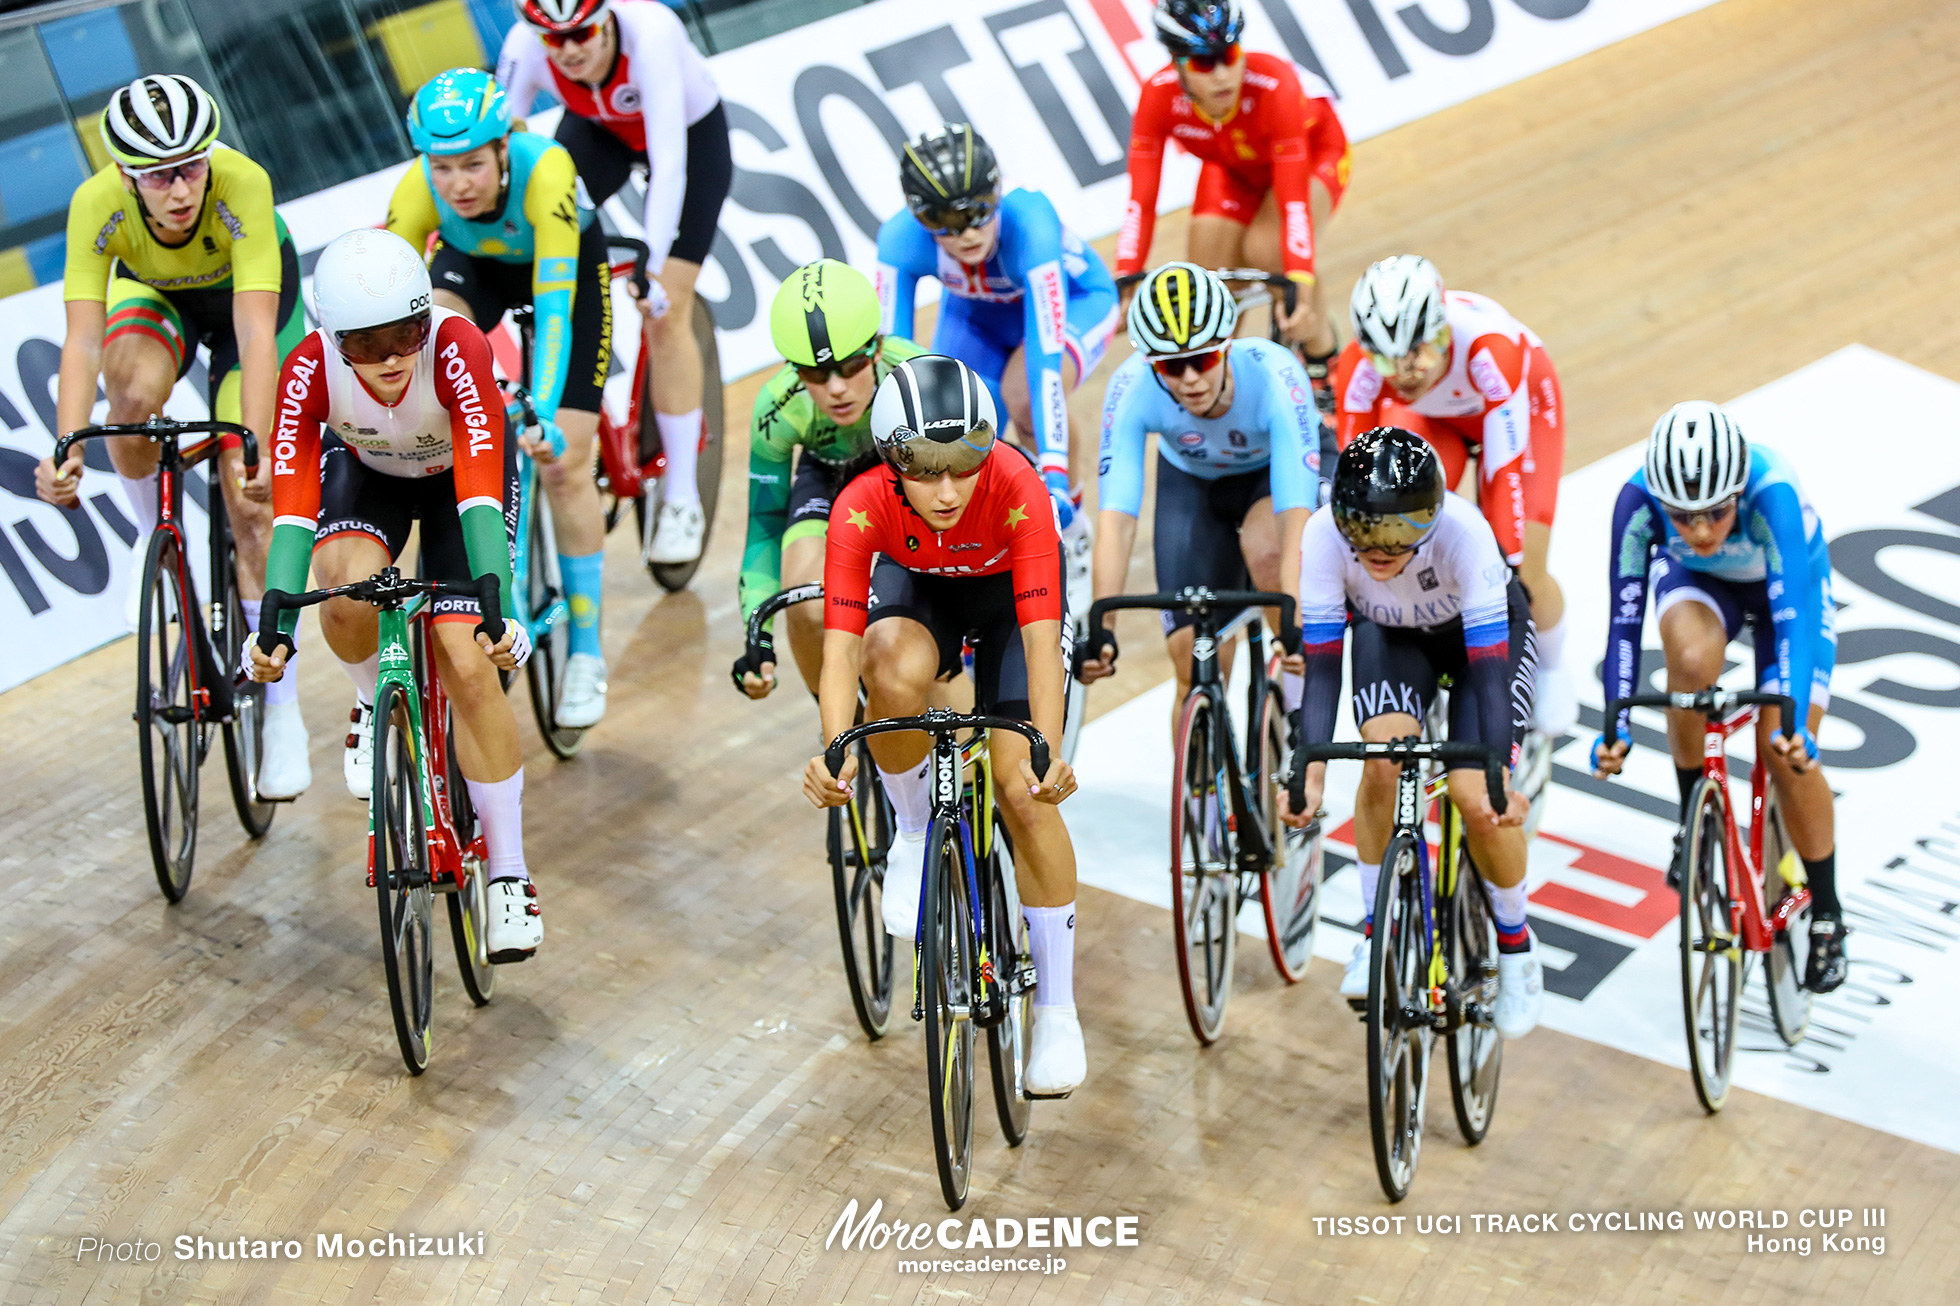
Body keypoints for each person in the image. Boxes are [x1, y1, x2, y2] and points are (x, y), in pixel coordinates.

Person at [245, 229, 543, 962]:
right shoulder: (307, 369)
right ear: (332, 338)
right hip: (371, 477)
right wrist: (274, 620)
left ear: (424, 321)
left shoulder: (457, 347)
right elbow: (290, 510)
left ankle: (508, 873)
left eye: (405, 334)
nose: (388, 360)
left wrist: (495, 609)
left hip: (460, 490)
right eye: (366, 343)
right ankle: (373, 697)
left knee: (468, 659)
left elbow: (477, 497)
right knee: (343, 595)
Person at [800, 355, 1087, 1095]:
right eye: (927, 471)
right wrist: (834, 749)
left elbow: (1039, 640)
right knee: (886, 664)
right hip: (921, 592)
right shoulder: (861, 504)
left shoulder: (1018, 488)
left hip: (1006, 606)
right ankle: (915, 829)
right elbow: (840, 651)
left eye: (964, 464)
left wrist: (1045, 750)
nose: (950, 489)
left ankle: (1057, 1011)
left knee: (1022, 790)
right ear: (893, 464)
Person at [36, 74, 311, 798]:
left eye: (192, 165)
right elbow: (81, 342)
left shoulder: (241, 182)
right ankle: (149, 546)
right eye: (160, 176)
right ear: (126, 174)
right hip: (158, 296)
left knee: (252, 501)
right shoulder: (95, 205)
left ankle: (281, 709)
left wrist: (254, 443)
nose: (182, 189)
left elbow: (255, 336)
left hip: (252, 303)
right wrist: (68, 446)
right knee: (125, 401)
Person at [1282, 427, 1543, 1037]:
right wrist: (1308, 772)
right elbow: (1321, 668)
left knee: (1476, 799)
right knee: (1382, 761)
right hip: (1392, 635)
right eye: (1365, 529)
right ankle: (1375, 936)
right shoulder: (1321, 535)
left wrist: (1496, 772)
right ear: (1339, 515)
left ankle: (1516, 947)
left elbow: (1488, 662)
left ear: (1434, 516)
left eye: (1401, 530)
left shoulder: (1466, 533)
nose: (1379, 549)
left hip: (1483, 638)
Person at [386, 67, 614, 750]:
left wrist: (541, 411)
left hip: (564, 276)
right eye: (443, 166)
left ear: (504, 145)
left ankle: (587, 651)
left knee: (565, 463)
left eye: (473, 165)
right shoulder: (417, 188)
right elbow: (384, 295)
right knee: (429, 321)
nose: (456, 183)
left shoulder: (546, 169)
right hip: (472, 270)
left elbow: (553, 310)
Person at [1590, 402, 1847, 993]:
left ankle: (1829, 911)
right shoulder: (1635, 503)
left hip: (1789, 590)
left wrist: (1798, 723)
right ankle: (1694, 821)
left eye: (1716, 513)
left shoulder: (1773, 493)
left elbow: (1791, 617)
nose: (1702, 532)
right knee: (1686, 664)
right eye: (1682, 518)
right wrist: (1616, 722)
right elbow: (1623, 622)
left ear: (1739, 492)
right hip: (1702, 588)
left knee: (1782, 750)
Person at [498, 0, 732, 564]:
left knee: (664, 309)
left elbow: (669, 165)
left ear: (606, 20)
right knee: (547, 245)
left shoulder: (649, 31)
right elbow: (501, 145)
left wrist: (653, 269)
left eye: (582, 33)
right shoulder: (523, 47)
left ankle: (680, 496)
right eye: (555, 41)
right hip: (600, 133)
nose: (571, 50)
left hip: (689, 140)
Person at [874, 121, 1118, 617]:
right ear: (918, 217)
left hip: (1076, 305)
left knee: (1024, 399)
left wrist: (1051, 474)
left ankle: (1072, 533)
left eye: (979, 213)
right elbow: (890, 365)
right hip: (976, 320)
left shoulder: (1032, 223)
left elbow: (1046, 364)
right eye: (945, 220)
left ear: (998, 193)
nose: (966, 234)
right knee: (950, 428)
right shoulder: (898, 239)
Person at [1334, 255, 1576, 736]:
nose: (1405, 372)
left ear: (1442, 330)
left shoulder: (1490, 348)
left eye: (1417, 353)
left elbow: (1504, 469)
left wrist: (1505, 567)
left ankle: (1549, 666)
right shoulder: (1357, 368)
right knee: (1395, 514)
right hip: (1436, 421)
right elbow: (1355, 480)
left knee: (1523, 561)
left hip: (1517, 406)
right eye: (1387, 360)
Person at [1076, 263, 1326, 718]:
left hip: (1270, 478)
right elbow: (1117, 517)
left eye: (1204, 359)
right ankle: (1199, 788)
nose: (1190, 378)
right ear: (1150, 363)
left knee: (1268, 553)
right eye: (1172, 366)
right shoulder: (1131, 387)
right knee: (1192, 663)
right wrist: (1103, 624)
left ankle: (1297, 709)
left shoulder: (1274, 374)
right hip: (1191, 484)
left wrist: (1294, 618)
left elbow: (1295, 513)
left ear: (1227, 347)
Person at [1116, 0, 1351, 398]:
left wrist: (1301, 285)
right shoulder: (1158, 98)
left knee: (1266, 249)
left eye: (1229, 55)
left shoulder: (1275, 85)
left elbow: (1293, 203)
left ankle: (1322, 357)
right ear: (1177, 62)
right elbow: (1141, 201)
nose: (1224, 75)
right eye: (1205, 64)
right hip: (1234, 169)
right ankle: (1219, 376)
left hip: (1313, 156)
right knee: (1207, 283)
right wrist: (1125, 280)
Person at [736, 260, 926, 699]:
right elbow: (765, 524)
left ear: (877, 349)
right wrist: (757, 633)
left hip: (907, 467)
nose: (837, 388)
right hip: (828, 474)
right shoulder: (777, 408)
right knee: (805, 600)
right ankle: (842, 722)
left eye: (852, 365)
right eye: (816, 374)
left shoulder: (915, 372)